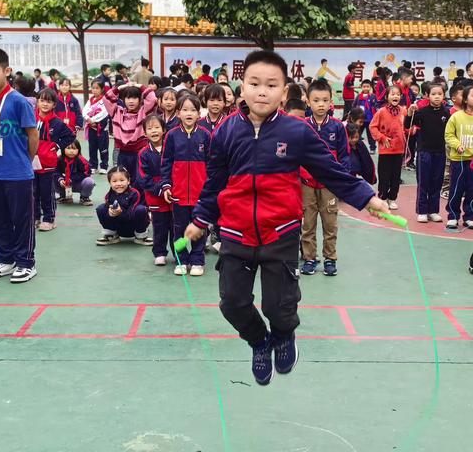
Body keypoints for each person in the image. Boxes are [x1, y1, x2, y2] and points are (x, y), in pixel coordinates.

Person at [184, 50, 387, 386]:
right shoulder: (225, 134)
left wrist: (367, 198)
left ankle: (282, 335)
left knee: (280, 306)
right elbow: (214, 184)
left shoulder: (297, 132)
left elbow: (331, 170)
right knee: (232, 303)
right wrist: (201, 219)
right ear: (242, 88)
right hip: (235, 231)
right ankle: (259, 342)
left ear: (284, 91)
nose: (262, 91)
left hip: (281, 232)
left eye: (271, 84)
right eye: (254, 83)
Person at [0, 48, 39, 283]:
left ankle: (25, 262)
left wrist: (25, 161)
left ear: (7, 71)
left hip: (17, 172)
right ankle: (5, 259)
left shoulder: (19, 101)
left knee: (21, 219)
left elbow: (33, 136)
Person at [300, 79, 350, 277]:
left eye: (325, 100)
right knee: (308, 224)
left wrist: (341, 180)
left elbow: (345, 156)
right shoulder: (302, 125)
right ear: (308, 102)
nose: (321, 104)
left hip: (329, 185)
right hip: (306, 184)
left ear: (331, 103)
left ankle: (330, 259)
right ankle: (310, 258)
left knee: (330, 223)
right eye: (316, 100)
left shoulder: (337, 127)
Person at [161, 95, 211, 276]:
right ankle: (181, 260)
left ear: (199, 113)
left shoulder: (205, 135)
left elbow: (211, 165)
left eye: (193, 110)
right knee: (179, 228)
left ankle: (197, 260)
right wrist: (167, 186)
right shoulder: (172, 136)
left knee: (199, 227)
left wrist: (208, 189)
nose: (189, 113)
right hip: (178, 193)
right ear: (178, 113)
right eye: (185, 109)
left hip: (200, 194)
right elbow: (166, 162)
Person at [404, 83, 449, 223]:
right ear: (427, 96)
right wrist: (410, 112)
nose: (437, 97)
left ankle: (433, 210)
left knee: (437, 182)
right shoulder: (422, 112)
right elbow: (407, 125)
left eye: (439, 94)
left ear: (443, 96)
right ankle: (422, 211)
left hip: (440, 152)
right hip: (424, 152)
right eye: (433, 94)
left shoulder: (446, 113)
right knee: (424, 182)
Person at [34, 88, 76, 231]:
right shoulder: (31, 118)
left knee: (46, 192)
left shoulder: (57, 123)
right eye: (42, 100)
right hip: (30, 161)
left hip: (47, 163)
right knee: (33, 192)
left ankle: (49, 219)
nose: (45, 104)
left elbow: (70, 136)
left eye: (49, 101)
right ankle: (35, 218)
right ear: (37, 101)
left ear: (54, 104)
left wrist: (57, 146)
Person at [103, 83, 157, 184]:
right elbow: (106, 99)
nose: (131, 101)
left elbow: (152, 99)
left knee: (139, 181)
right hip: (122, 154)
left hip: (140, 153)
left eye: (134, 98)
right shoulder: (117, 112)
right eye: (128, 98)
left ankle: (139, 200)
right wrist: (119, 88)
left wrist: (139, 85)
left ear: (140, 99)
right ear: (123, 99)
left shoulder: (143, 112)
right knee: (122, 181)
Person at [137, 114, 173, 265]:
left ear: (164, 130)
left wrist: (170, 187)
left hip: (172, 194)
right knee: (159, 227)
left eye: (157, 127)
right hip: (155, 197)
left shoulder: (172, 149)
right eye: (150, 128)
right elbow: (143, 177)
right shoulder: (143, 153)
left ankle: (178, 254)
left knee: (176, 227)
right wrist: (159, 190)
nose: (154, 131)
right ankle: (159, 252)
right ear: (144, 132)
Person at [370, 85, 408, 210]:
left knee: (396, 177)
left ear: (401, 97)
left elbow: (406, 127)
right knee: (384, 175)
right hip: (385, 150)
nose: (395, 96)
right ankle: (382, 198)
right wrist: (382, 138)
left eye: (398, 94)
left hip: (399, 150)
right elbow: (372, 127)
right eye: (392, 94)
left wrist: (411, 130)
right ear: (387, 97)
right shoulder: (381, 112)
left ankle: (392, 199)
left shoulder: (404, 111)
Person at [95, 166, 153, 246]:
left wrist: (120, 212)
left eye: (122, 180)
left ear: (128, 181)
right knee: (101, 208)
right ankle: (111, 236)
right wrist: (110, 214)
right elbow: (107, 216)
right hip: (118, 228)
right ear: (110, 183)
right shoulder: (108, 196)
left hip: (133, 228)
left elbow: (130, 214)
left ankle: (141, 237)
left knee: (141, 209)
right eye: (114, 181)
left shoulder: (135, 194)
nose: (119, 184)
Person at [444, 85, 473, 229]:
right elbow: (448, 135)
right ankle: (453, 216)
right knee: (456, 189)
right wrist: (457, 145)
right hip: (459, 160)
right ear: (466, 99)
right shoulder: (456, 116)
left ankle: (469, 216)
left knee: (472, 189)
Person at [56, 139, 95, 206]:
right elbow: (55, 171)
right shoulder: (59, 159)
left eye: (74, 149)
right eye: (68, 148)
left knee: (89, 181)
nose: (71, 151)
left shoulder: (81, 160)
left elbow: (86, 173)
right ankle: (64, 196)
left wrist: (72, 179)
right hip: (64, 184)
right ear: (63, 149)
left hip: (77, 184)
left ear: (78, 150)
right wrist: (61, 179)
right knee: (50, 178)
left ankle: (84, 197)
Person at [82, 79, 109, 174]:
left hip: (101, 128)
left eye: (97, 88)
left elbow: (104, 113)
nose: (94, 90)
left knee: (103, 147)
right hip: (91, 128)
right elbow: (84, 111)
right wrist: (88, 119)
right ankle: (93, 165)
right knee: (92, 147)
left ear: (102, 89)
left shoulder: (104, 100)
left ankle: (104, 166)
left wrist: (94, 120)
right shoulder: (90, 100)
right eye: (93, 88)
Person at [353, 79, 377, 154]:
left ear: (370, 87)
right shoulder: (358, 97)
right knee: (357, 133)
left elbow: (376, 106)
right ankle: (356, 146)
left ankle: (372, 148)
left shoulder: (373, 96)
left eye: (367, 86)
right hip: (360, 119)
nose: (366, 88)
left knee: (370, 135)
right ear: (361, 87)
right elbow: (354, 106)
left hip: (370, 119)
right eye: (364, 86)